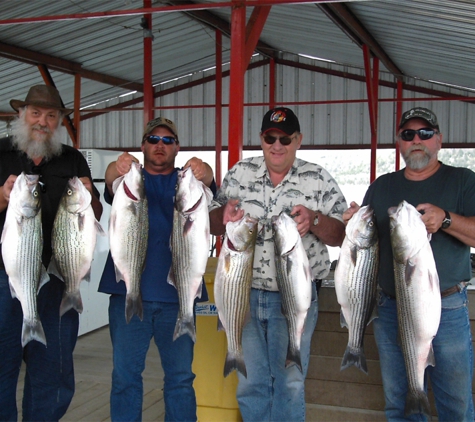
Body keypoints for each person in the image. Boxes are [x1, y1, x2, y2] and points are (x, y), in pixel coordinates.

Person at [209, 107, 347, 421]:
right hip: (242, 296)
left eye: (285, 138)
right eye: (270, 137)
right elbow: (212, 223)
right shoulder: (239, 173)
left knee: (290, 382)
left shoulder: (318, 177)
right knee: (250, 383)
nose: (277, 144)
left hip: (295, 299)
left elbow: (341, 236)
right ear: (261, 139)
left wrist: (313, 219)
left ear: (297, 140)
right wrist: (223, 216)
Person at [344, 107, 475, 421]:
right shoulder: (381, 186)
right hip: (390, 309)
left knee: (455, 404)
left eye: (425, 133)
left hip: (447, 308)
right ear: (399, 142)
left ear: (439, 140)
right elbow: (363, 243)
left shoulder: (462, 180)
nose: (417, 140)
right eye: (408, 134)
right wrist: (351, 223)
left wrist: (445, 219)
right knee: (399, 403)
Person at [98, 116, 216, 422]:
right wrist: (116, 166)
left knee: (179, 379)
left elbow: (210, 185)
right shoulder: (130, 181)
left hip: (179, 300)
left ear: (177, 147)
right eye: (153, 140)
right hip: (127, 292)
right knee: (125, 378)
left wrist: (207, 171)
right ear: (143, 146)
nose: (159, 146)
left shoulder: (187, 183)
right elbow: (110, 180)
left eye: (167, 140)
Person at [0, 85, 103, 421]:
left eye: (51, 115)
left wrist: (90, 199)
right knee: (2, 366)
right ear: (21, 115)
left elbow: (95, 212)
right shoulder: (0, 152)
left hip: (58, 278)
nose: (42, 121)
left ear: (59, 121)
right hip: (4, 278)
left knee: (54, 370)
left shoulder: (72, 158)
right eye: (35, 113)